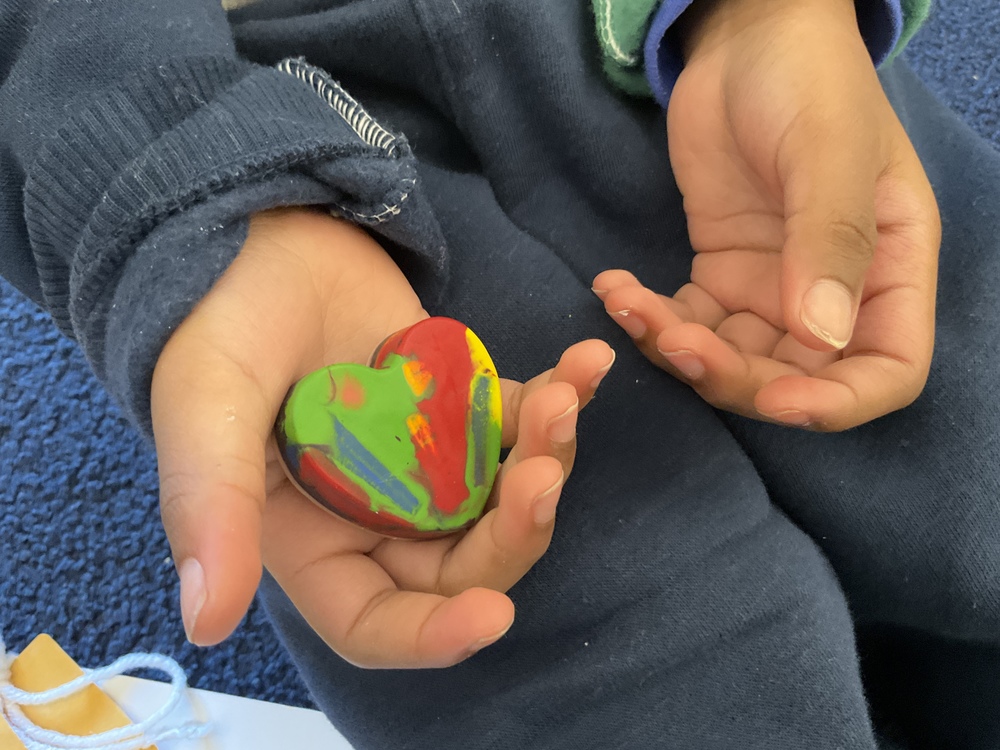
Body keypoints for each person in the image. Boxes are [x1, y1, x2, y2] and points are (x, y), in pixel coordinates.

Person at [1, 0, 998, 747]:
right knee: (626, 671)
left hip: (734, 94)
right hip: (273, 158)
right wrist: (173, 181)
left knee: (960, 451)